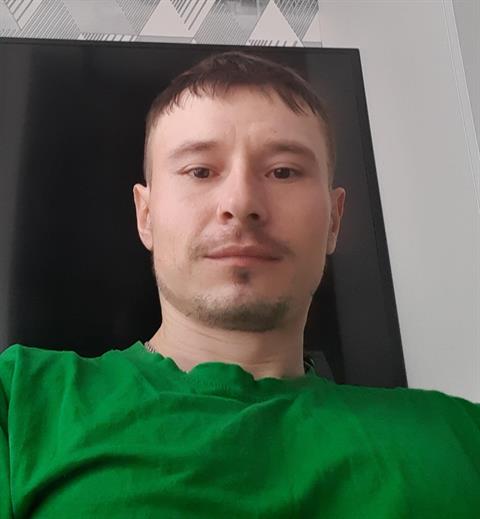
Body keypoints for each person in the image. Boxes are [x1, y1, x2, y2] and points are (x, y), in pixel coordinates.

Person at [0, 50, 478, 518]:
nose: (241, 202)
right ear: (145, 216)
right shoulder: (21, 399)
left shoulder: (461, 434)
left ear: (334, 220)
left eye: (283, 171)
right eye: (200, 171)